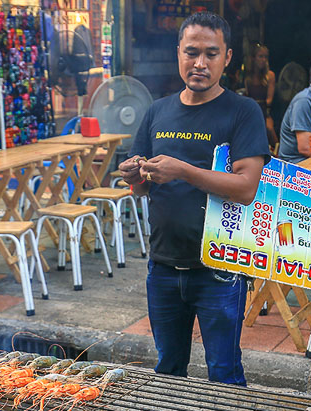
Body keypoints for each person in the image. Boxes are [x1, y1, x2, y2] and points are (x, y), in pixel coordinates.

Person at [117, 12, 269, 386]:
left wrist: (183, 170)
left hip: (219, 268)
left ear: (227, 57)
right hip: (163, 266)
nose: (200, 63)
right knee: (168, 371)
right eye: (191, 52)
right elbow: (144, 188)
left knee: (224, 372)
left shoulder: (242, 111)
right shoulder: (157, 111)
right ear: (178, 53)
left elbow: (247, 187)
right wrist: (135, 176)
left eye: (211, 54)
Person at [244, 43, 278, 147]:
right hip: (248, 111)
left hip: (264, 111)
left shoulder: (270, 76)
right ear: (253, 58)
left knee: (270, 129)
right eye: (260, 56)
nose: (263, 60)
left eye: (265, 57)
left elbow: (269, 100)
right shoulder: (247, 77)